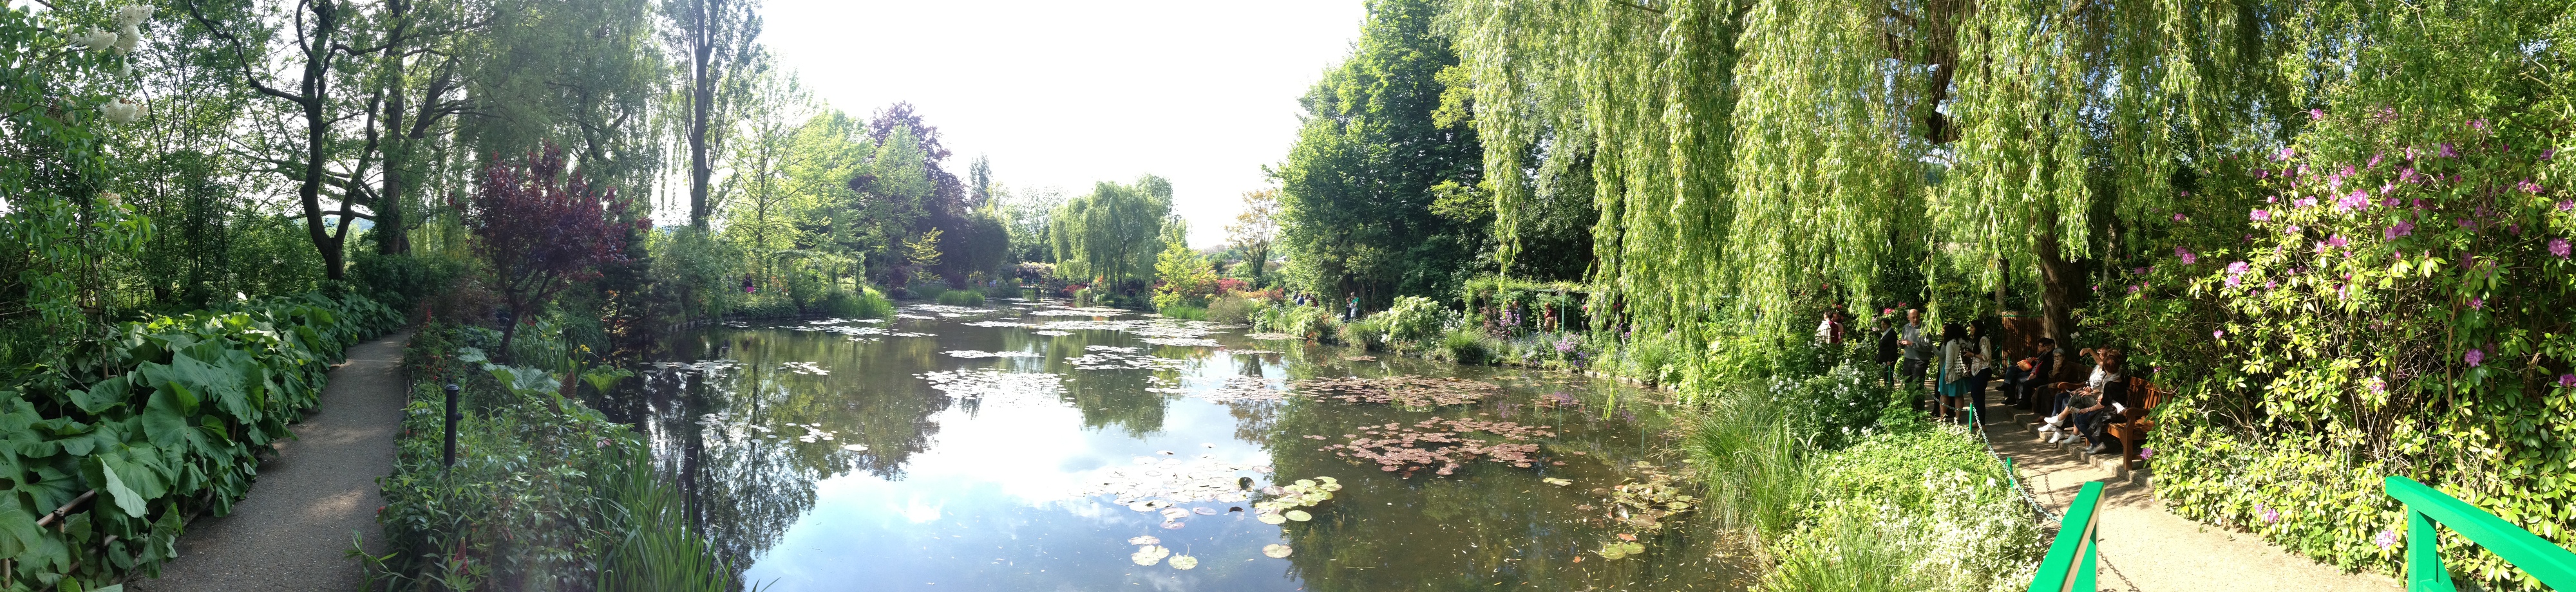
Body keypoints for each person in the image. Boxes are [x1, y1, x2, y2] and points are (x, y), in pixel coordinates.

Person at [2039, 348, 2125, 448]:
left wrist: (2089, 405)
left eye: (2106, 356)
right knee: (2074, 402)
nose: (2102, 359)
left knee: (2078, 396)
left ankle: (2060, 420)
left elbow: (2106, 397)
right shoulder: (2112, 372)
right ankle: (2072, 433)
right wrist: (2090, 391)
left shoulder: (2114, 374)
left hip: (2105, 407)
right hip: (2100, 400)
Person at [2004, 337, 2058, 407]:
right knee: (2014, 373)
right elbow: (2039, 366)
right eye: (2045, 345)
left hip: (2045, 378)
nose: (2047, 347)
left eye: (2048, 345)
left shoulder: (2052, 355)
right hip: (2039, 375)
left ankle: (2024, 402)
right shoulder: (2046, 354)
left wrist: (2035, 374)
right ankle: (2013, 396)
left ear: (2053, 345)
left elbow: (2047, 369)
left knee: (2024, 382)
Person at [1935, 323, 1969, 422]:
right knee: (1959, 395)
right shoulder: (1967, 342)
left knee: (1944, 394)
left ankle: (1942, 417)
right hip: (1962, 371)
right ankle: (1958, 418)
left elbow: (1949, 360)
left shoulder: (1951, 343)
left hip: (1951, 370)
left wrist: (1946, 373)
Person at [1899, 309, 1931, 396]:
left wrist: (1912, 344)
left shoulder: (1925, 328)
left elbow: (1928, 347)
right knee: (1907, 385)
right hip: (1908, 359)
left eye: (1917, 317)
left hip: (1920, 361)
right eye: (1913, 317)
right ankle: (1909, 408)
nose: (1916, 319)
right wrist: (1900, 344)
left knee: (1917, 387)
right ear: (1908, 318)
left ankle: (1919, 408)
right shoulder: (1906, 327)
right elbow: (1903, 342)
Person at [1872, 317, 1901, 387]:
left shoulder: (1891, 333)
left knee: (1889, 376)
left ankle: (1890, 391)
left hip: (1889, 359)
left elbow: (1893, 347)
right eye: (1882, 325)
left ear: (1888, 324)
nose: (1883, 326)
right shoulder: (1886, 333)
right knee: (1886, 376)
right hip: (1884, 359)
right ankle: (1887, 390)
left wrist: (1889, 360)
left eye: (1884, 324)